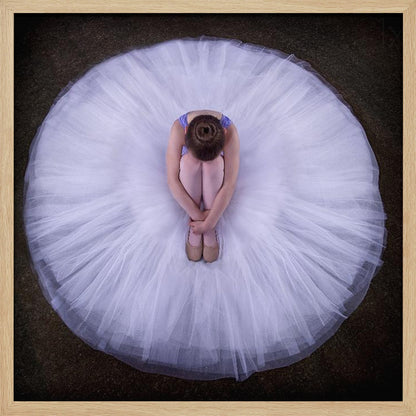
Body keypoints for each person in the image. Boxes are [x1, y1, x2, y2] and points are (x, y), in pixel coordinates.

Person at [166, 110, 240, 262]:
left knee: (214, 164)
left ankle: (208, 225)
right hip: (189, 173)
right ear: (186, 131)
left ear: (224, 133)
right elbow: (172, 180)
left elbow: (229, 184)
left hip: (214, 175)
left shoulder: (231, 132)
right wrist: (199, 217)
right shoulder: (178, 129)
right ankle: (194, 222)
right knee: (188, 162)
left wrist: (209, 223)